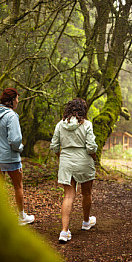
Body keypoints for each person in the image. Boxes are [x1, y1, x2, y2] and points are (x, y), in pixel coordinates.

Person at [50, 98, 98, 243]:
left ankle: (64, 232)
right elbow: (91, 147)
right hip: (84, 160)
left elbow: (54, 146)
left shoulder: (60, 125)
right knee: (86, 193)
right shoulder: (87, 124)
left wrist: (62, 157)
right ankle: (85, 222)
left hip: (66, 162)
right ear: (83, 110)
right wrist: (94, 157)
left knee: (69, 196)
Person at [0, 87, 35, 226]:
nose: (18, 102)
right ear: (12, 101)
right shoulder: (11, 116)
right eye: (17, 99)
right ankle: (21, 217)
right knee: (18, 186)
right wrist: (20, 148)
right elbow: (15, 140)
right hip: (10, 157)